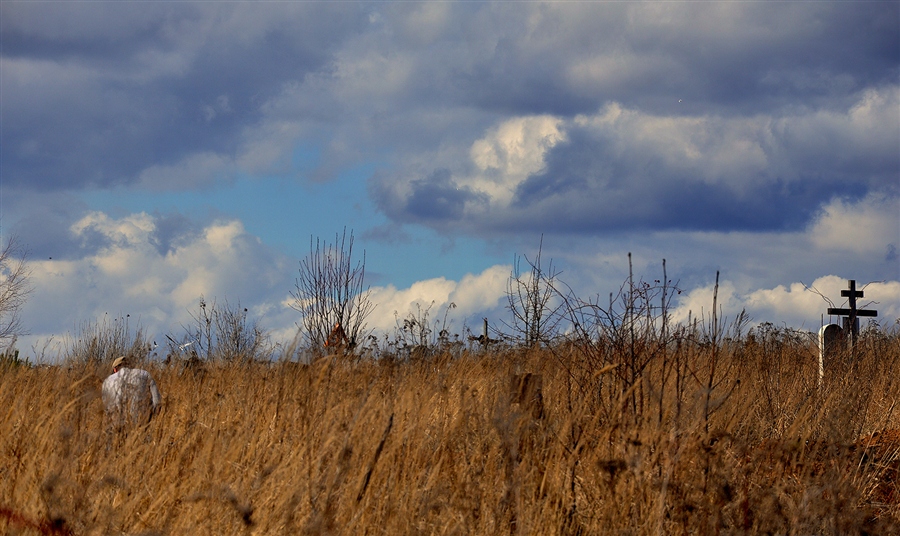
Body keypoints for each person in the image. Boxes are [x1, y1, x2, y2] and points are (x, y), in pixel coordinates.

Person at [101, 355, 161, 426]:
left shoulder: (107, 381)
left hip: (117, 425)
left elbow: (106, 407)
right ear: (130, 365)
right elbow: (157, 401)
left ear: (115, 369)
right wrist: (150, 417)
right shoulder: (145, 374)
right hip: (141, 422)